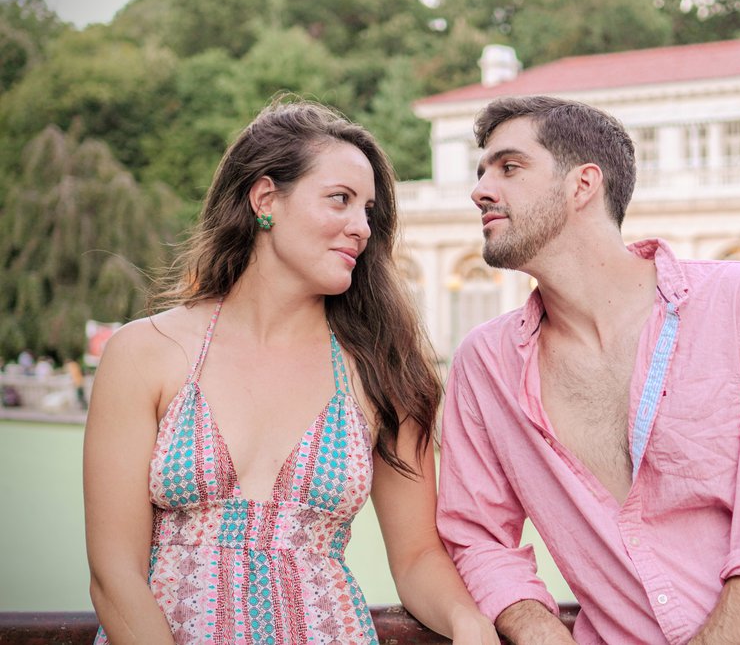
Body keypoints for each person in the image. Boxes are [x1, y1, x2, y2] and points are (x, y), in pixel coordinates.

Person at [436, 96, 740, 644]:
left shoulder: (739, 303)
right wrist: (538, 628)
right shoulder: (484, 364)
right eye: (481, 171)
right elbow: (477, 536)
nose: (479, 190)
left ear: (583, 185)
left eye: (509, 167)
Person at [83, 99, 498, 645]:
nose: (361, 227)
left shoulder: (383, 370)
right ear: (265, 198)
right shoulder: (145, 352)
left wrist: (469, 622)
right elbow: (115, 575)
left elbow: (418, 554)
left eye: (369, 211)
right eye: (340, 200)